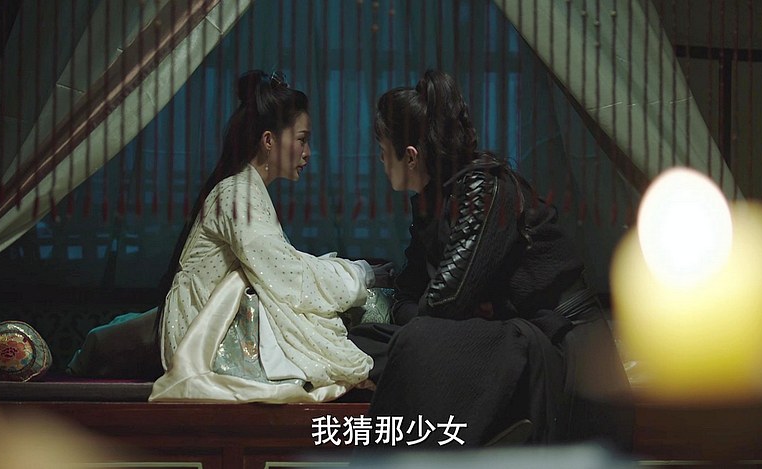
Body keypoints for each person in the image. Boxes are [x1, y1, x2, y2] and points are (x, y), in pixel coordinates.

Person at [349, 70, 632, 447]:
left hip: (558, 339)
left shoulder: (484, 187)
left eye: (384, 152)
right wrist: (419, 312)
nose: (381, 162)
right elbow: (408, 293)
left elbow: (444, 304)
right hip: (506, 332)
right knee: (363, 340)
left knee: (417, 341)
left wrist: (423, 314)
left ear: (411, 157)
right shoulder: (432, 202)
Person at [148, 70, 385, 403]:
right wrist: (357, 275)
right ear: (269, 140)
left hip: (221, 324)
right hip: (203, 338)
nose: (308, 152)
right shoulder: (237, 195)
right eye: (302, 139)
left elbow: (281, 265)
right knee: (359, 313)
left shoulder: (245, 190)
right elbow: (286, 274)